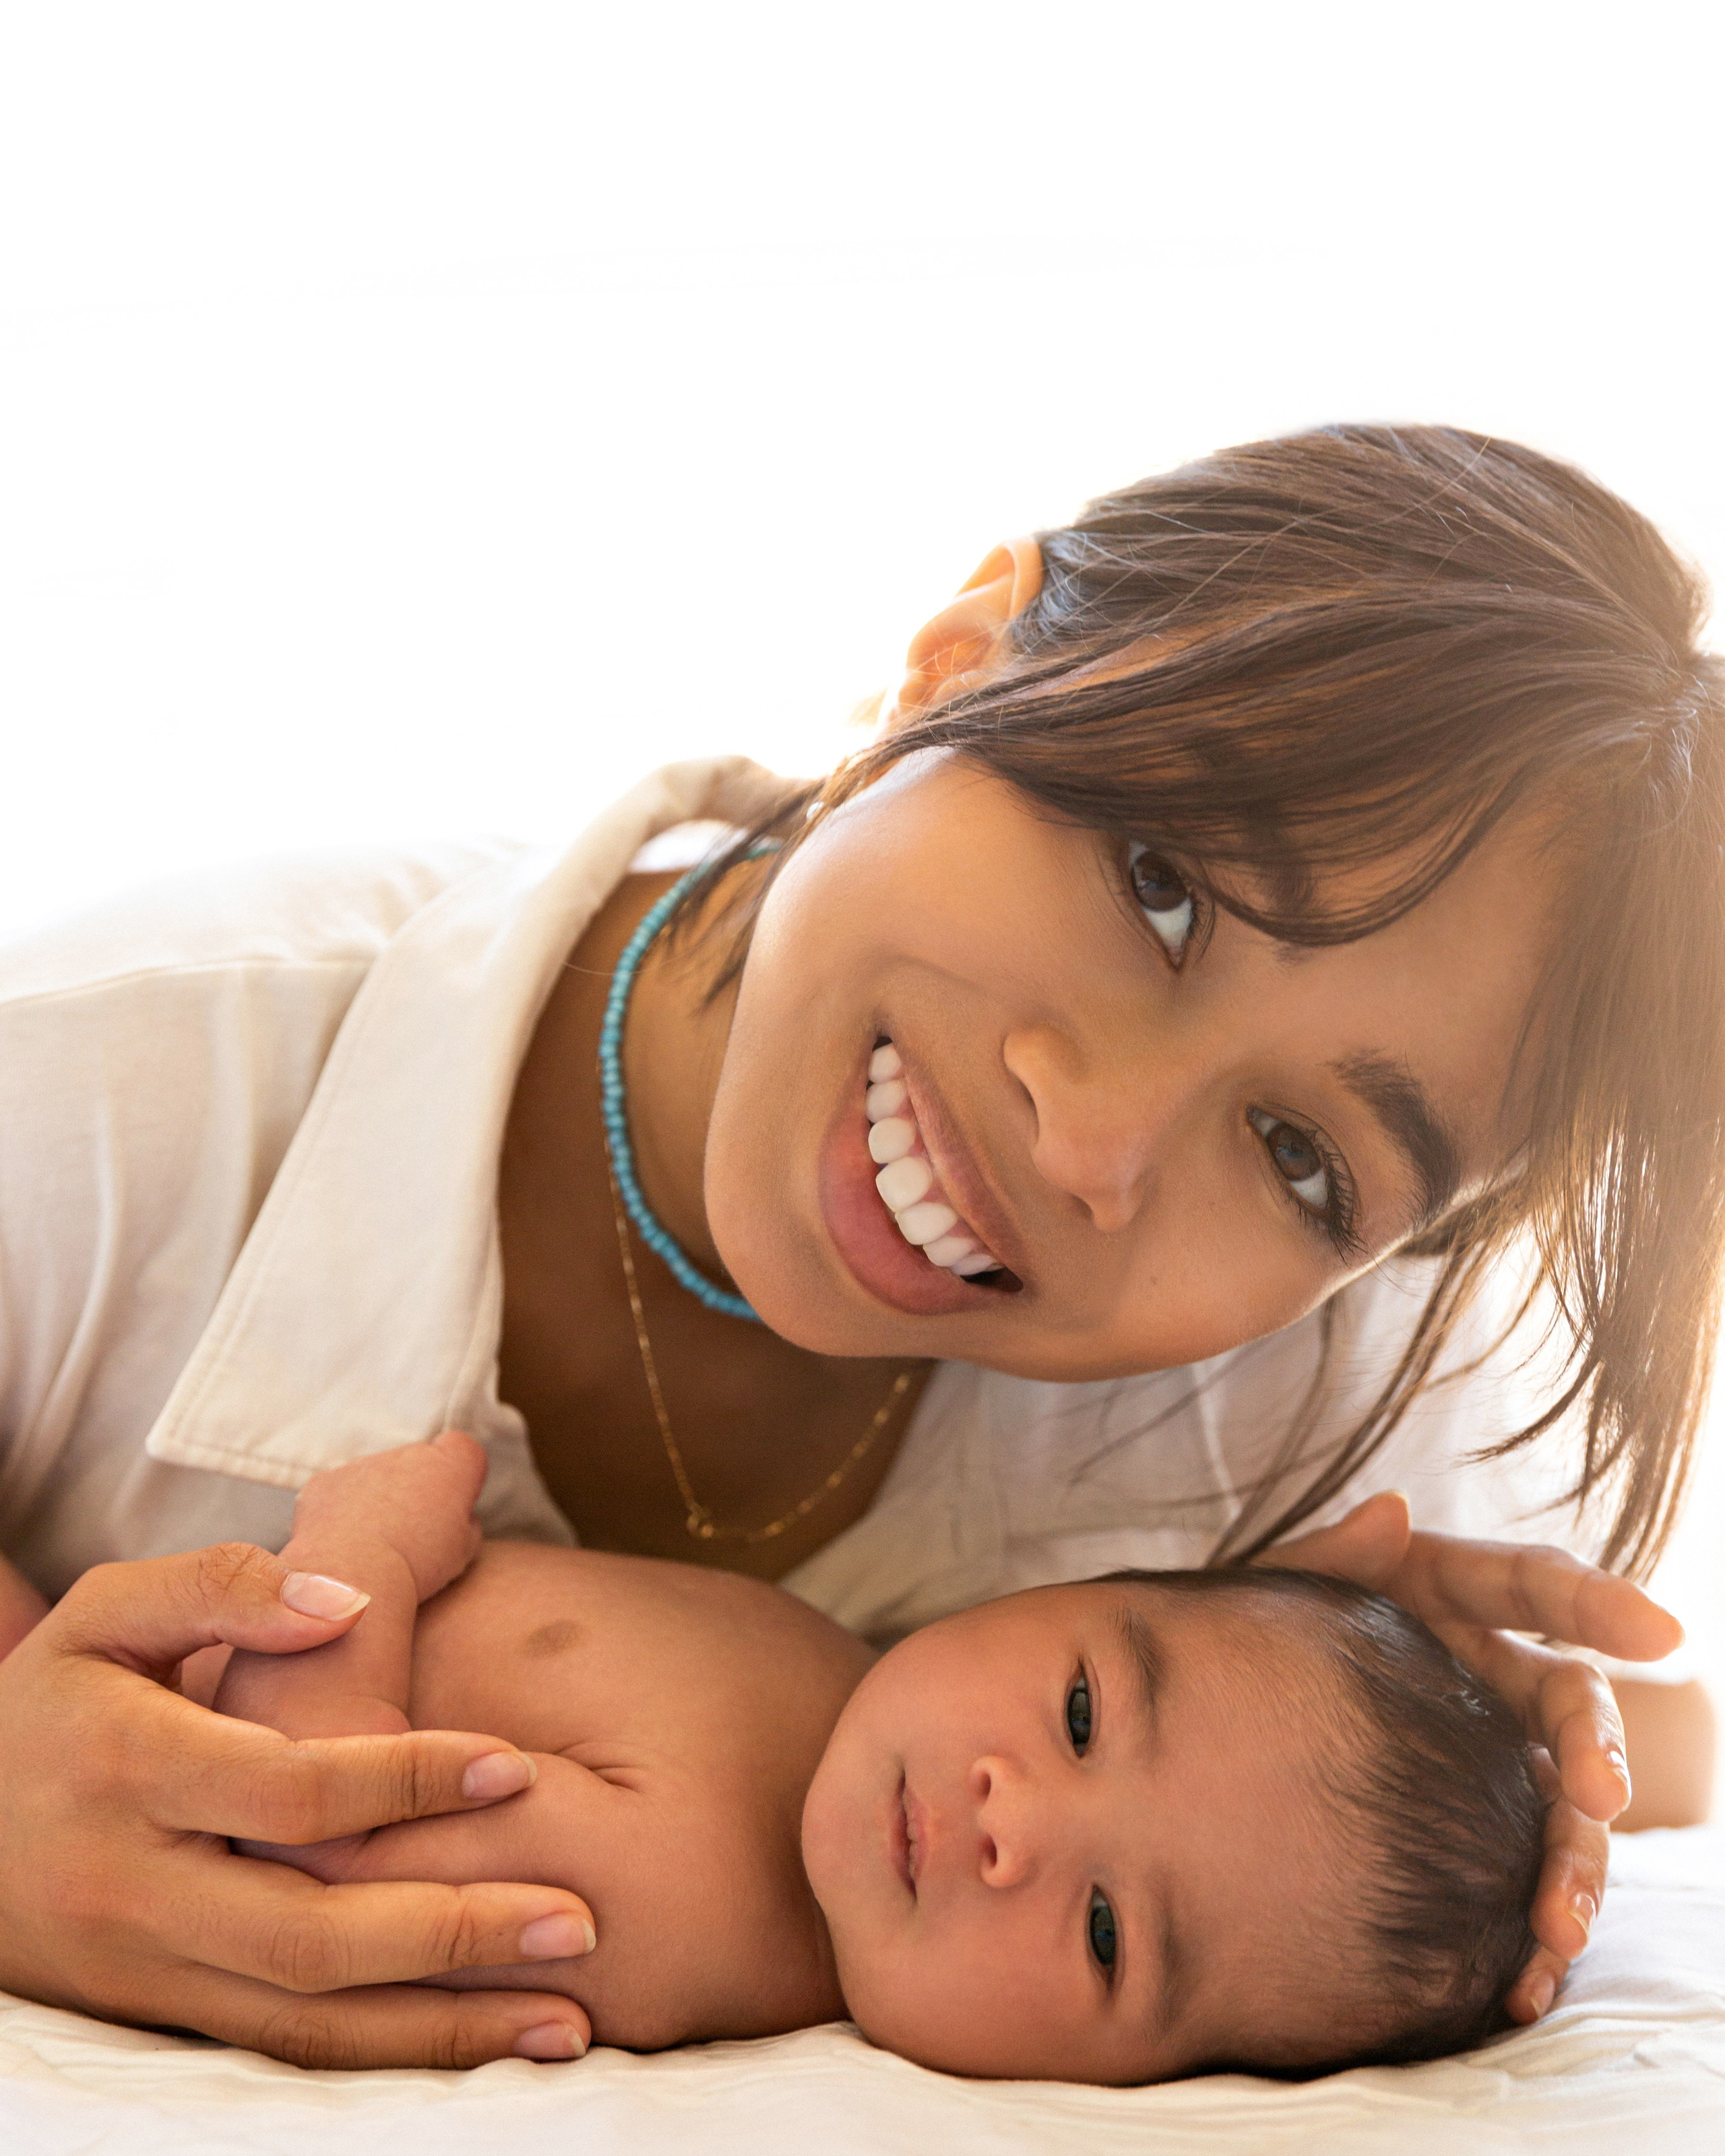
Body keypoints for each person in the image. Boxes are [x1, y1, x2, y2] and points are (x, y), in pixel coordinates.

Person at [0, 425, 1717, 2066]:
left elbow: (1655, 1748)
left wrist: (1515, 1738)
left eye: (1296, 1156)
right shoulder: (94, 1083)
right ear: (958, 658)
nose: (1092, 1144)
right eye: (1161, 883)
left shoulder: (1296, 1404)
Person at [183, 1433, 1550, 2081]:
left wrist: (363, 1544)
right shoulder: (839, 1670)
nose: (1013, 1824)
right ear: (1054, 1593)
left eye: (1101, 1933)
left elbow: (313, 1823)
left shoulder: (687, 1904)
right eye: (1079, 1712)